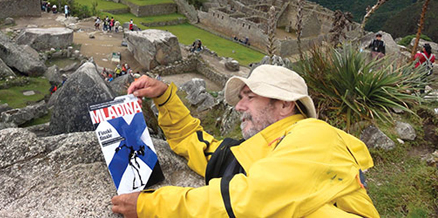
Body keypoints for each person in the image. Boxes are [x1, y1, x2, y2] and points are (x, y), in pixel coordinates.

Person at [111, 65, 379, 218]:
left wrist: (148, 205)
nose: (238, 107)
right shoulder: (266, 150)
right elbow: (198, 147)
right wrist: (165, 97)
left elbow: (244, 200)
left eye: (249, 97)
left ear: (285, 105)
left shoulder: (316, 136)